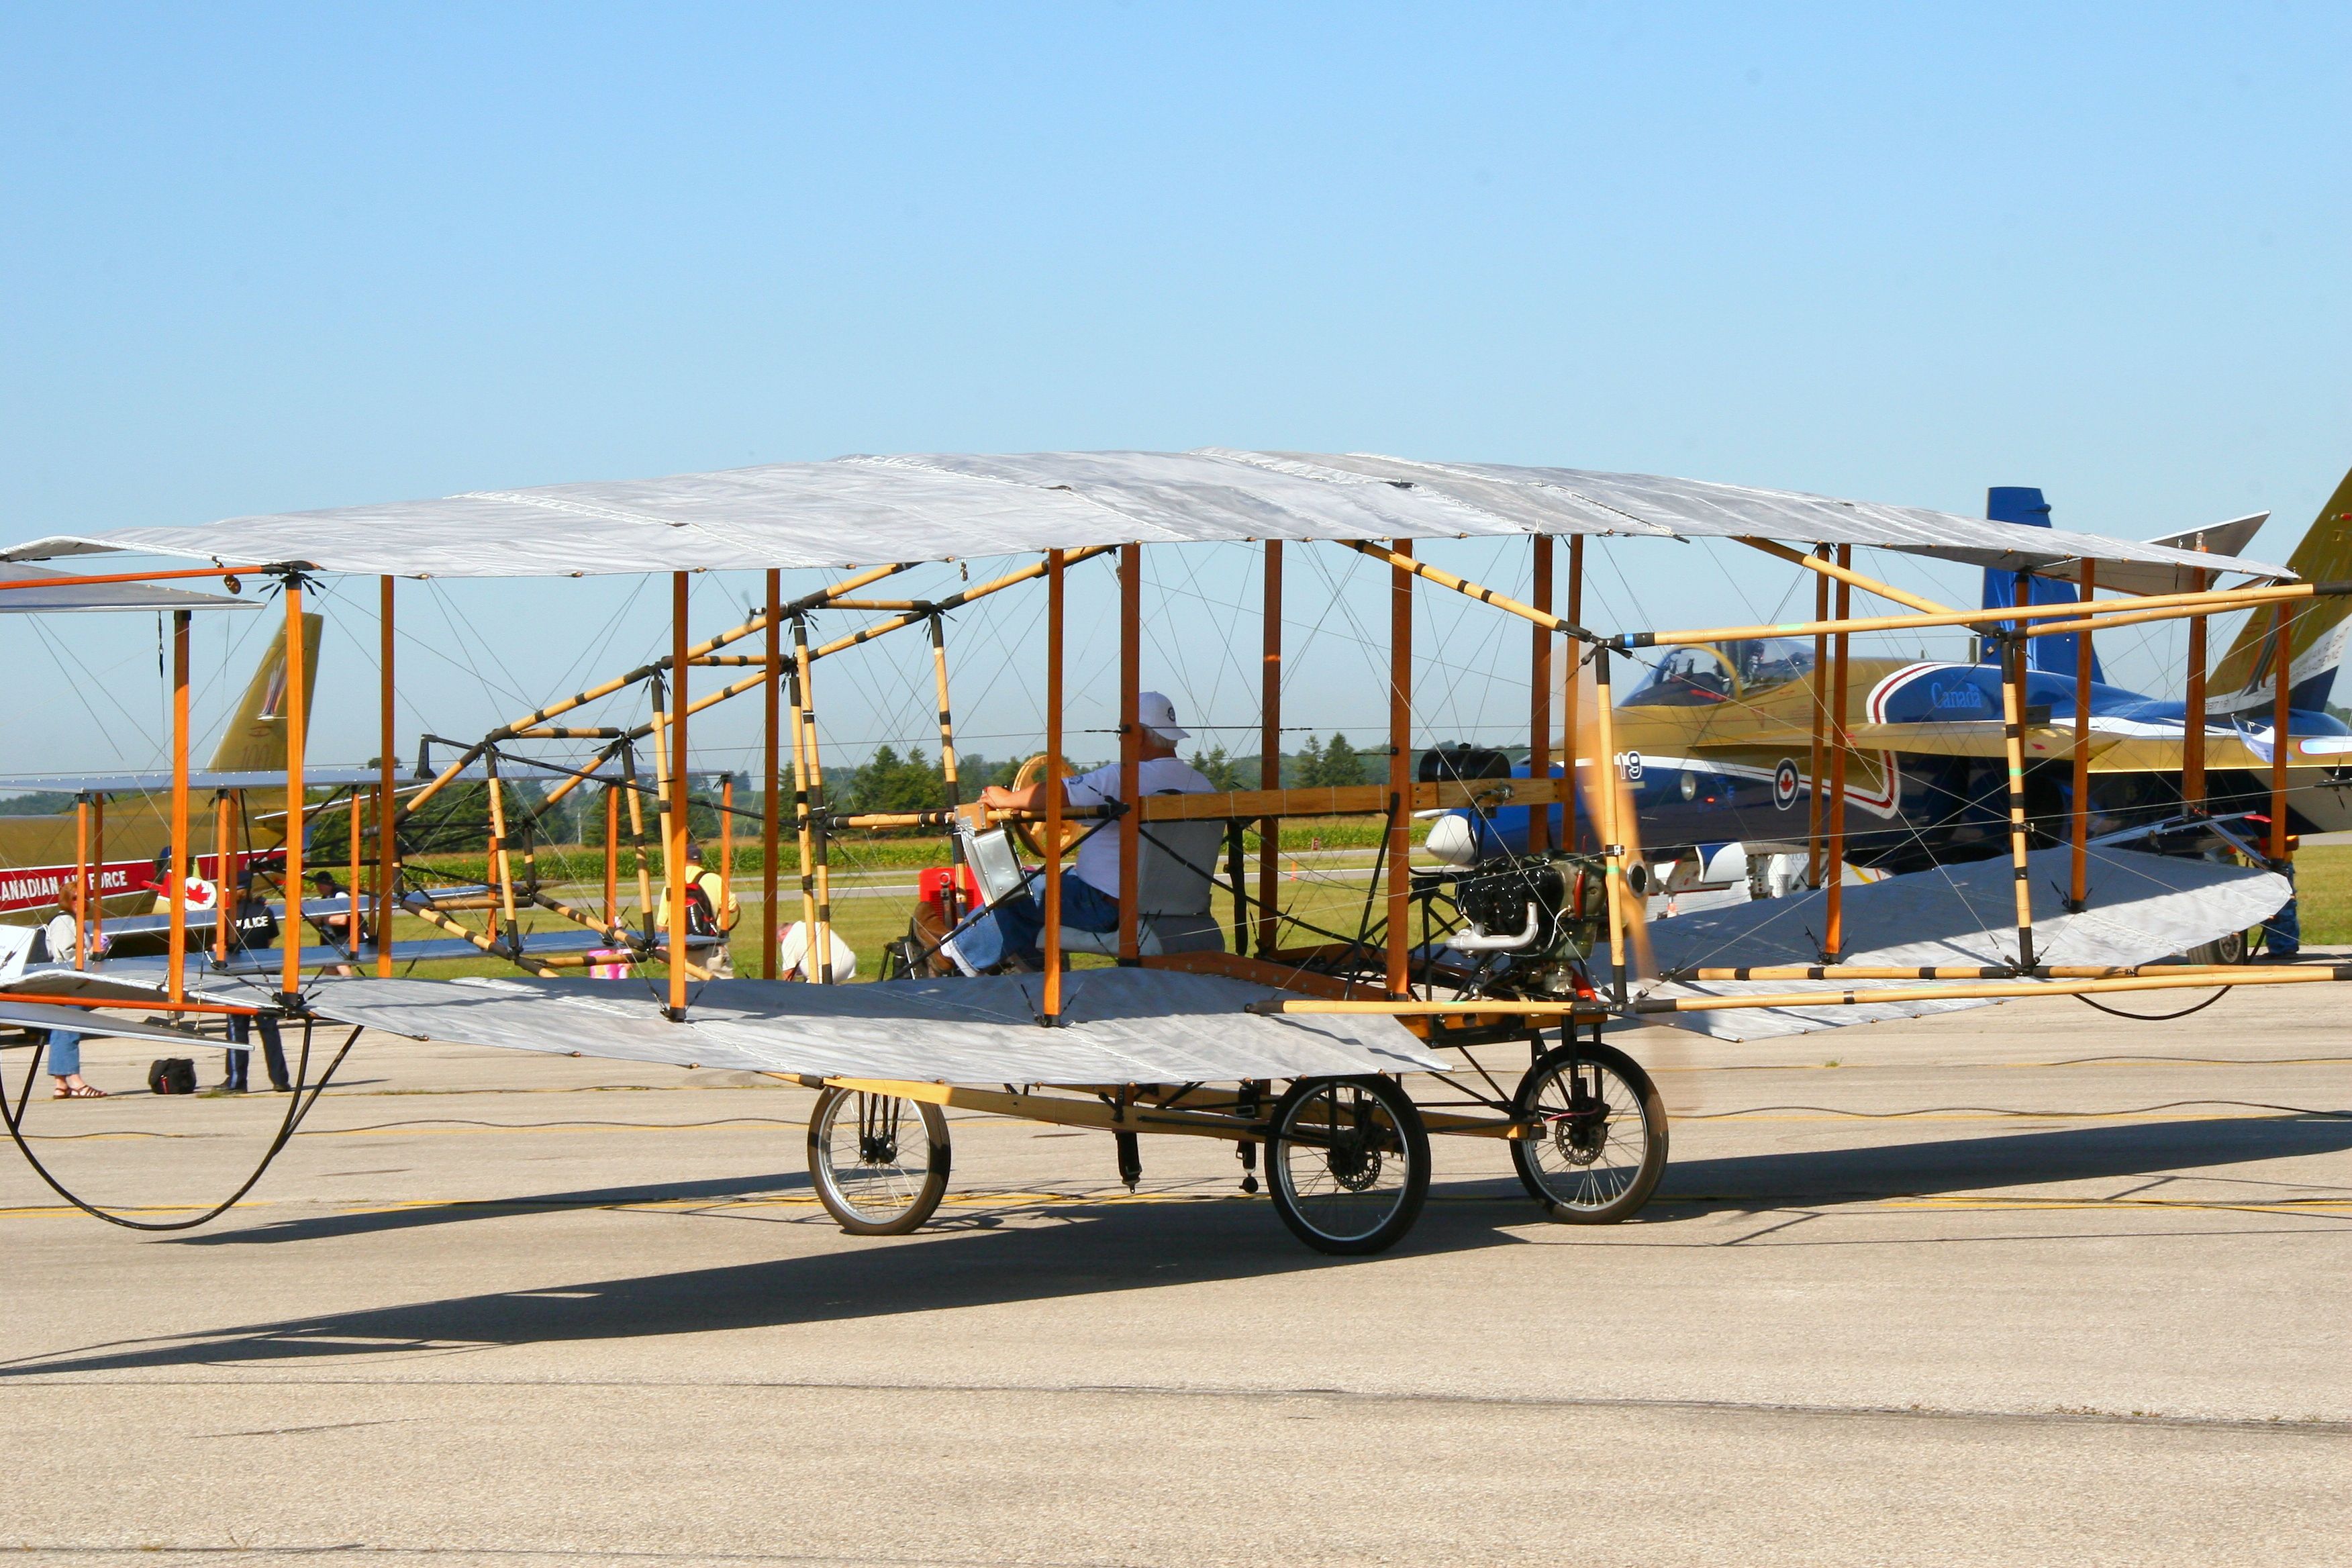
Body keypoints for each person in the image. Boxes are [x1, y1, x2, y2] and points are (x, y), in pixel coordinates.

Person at [940, 691, 1215, 973]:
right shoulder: (1203, 785)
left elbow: (1054, 795)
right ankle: (1018, 964)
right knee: (1045, 884)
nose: (1121, 739)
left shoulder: (1122, 777)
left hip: (1104, 907)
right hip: (1174, 901)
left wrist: (1006, 799)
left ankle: (948, 957)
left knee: (1014, 890)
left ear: (1139, 736)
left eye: (1122, 732)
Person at [222, 875, 291, 1092]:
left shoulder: (228, 915)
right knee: (269, 1030)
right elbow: (270, 940)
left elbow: (220, 945)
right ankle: (280, 1080)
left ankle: (237, 1081)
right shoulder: (265, 911)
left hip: (239, 979)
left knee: (237, 1030)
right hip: (265, 977)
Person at [40, 885, 105, 1098]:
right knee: (68, 1029)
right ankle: (75, 1081)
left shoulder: (72, 921)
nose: (80, 901)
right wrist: (92, 952)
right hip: (68, 983)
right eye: (75, 897)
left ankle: (61, 1084)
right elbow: (65, 955)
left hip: (69, 983)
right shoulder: (64, 921)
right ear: (66, 900)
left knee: (60, 1030)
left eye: (84, 898)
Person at [667, 842, 740, 977]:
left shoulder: (673, 880)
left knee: (687, 989)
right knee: (722, 987)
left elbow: (663, 921)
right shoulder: (714, 879)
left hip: (682, 945)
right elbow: (732, 907)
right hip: (711, 941)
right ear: (700, 860)